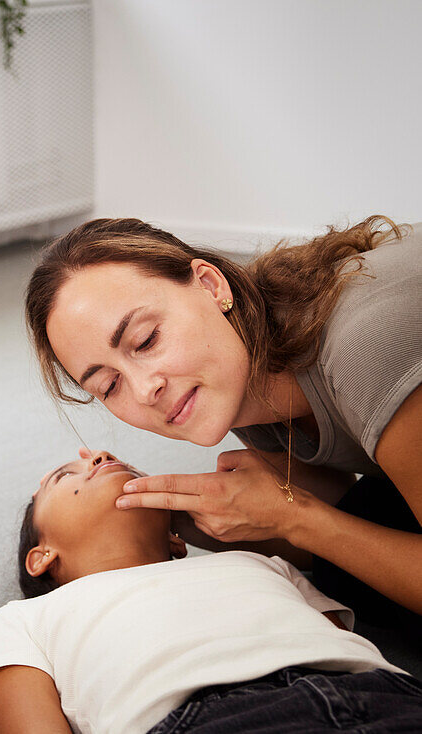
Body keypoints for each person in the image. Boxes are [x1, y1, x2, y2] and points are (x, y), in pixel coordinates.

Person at [23, 217, 422, 635]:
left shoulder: (369, 346)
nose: (144, 390)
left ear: (211, 286)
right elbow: (347, 516)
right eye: (110, 385)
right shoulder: (238, 377)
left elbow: (310, 519)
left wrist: (295, 517)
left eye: (145, 341)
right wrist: (167, 514)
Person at [0, 450, 422, 733]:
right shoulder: (25, 618)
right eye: (63, 476)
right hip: (197, 719)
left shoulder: (260, 563)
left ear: (177, 541)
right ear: (41, 556)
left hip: (378, 693)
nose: (99, 455)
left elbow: (341, 639)